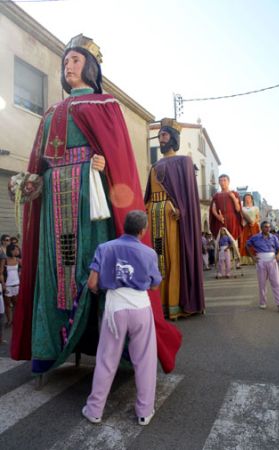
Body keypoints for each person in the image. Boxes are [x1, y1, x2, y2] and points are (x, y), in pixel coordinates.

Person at [10, 34, 181, 375]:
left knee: (98, 271)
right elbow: (39, 163)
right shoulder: (50, 113)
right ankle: (49, 347)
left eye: (74, 60)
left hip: (93, 204)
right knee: (54, 276)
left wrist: (100, 167)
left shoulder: (106, 106)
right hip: (55, 205)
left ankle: (117, 349)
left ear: (89, 66)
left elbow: (119, 163)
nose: (68, 66)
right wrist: (31, 181)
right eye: (65, 61)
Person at [82, 210, 161, 426]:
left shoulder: (104, 248)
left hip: (115, 307)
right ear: (142, 230)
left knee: (107, 359)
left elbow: (91, 283)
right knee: (144, 361)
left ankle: (95, 410)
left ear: (124, 227)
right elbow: (155, 284)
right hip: (140, 307)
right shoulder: (149, 253)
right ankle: (144, 412)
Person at [144, 118, 205, 319]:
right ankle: (159, 304)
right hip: (154, 216)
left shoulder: (184, 162)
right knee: (157, 259)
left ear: (173, 138)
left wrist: (180, 209)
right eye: (160, 136)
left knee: (172, 260)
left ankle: (174, 303)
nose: (160, 140)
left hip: (172, 219)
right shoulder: (154, 165)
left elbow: (187, 196)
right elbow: (148, 194)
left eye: (164, 135)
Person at [246, 221, 279, 312]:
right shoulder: (255, 237)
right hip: (261, 260)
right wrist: (252, 257)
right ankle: (262, 302)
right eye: (265, 227)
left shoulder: (274, 237)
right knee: (262, 283)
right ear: (261, 228)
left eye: (268, 227)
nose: (267, 229)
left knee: (276, 282)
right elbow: (247, 245)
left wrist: (278, 255)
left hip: (272, 260)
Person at [209, 174, 243, 242]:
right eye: (220, 181)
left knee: (232, 242)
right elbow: (213, 209)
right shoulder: (216, 195)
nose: (222, 182)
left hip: (232, 220)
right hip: (220, 220)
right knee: (221, 242)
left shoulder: (234, 193)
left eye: (224, 180)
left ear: (228, 182)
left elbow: (238, 209)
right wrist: (218, 216)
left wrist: (233, 197)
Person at [0, 243, 21, 326]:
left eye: (17, 249)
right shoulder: (5, 260)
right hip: (8, 285)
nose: (17, 251)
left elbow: (24, 269)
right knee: (8, 305)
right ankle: (9, 320)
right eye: (15, 249)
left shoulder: (18, 260)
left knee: (16, 304)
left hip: (17, 285)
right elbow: (1, 273)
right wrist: (3, 284)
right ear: (10, 250)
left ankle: (15, 320)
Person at [239, 193, 260, 265]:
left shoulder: (255, 208)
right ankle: (245, 260)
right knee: (244, 242)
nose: (247, 199)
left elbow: (258, 217)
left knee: (255, 242)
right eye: (246, 198)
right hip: (245, 226)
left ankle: (255, 258)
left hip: (254, 226)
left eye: (249, 197)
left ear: (251, 199)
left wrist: (254, 222)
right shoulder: (242, 208)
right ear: (244, 199)